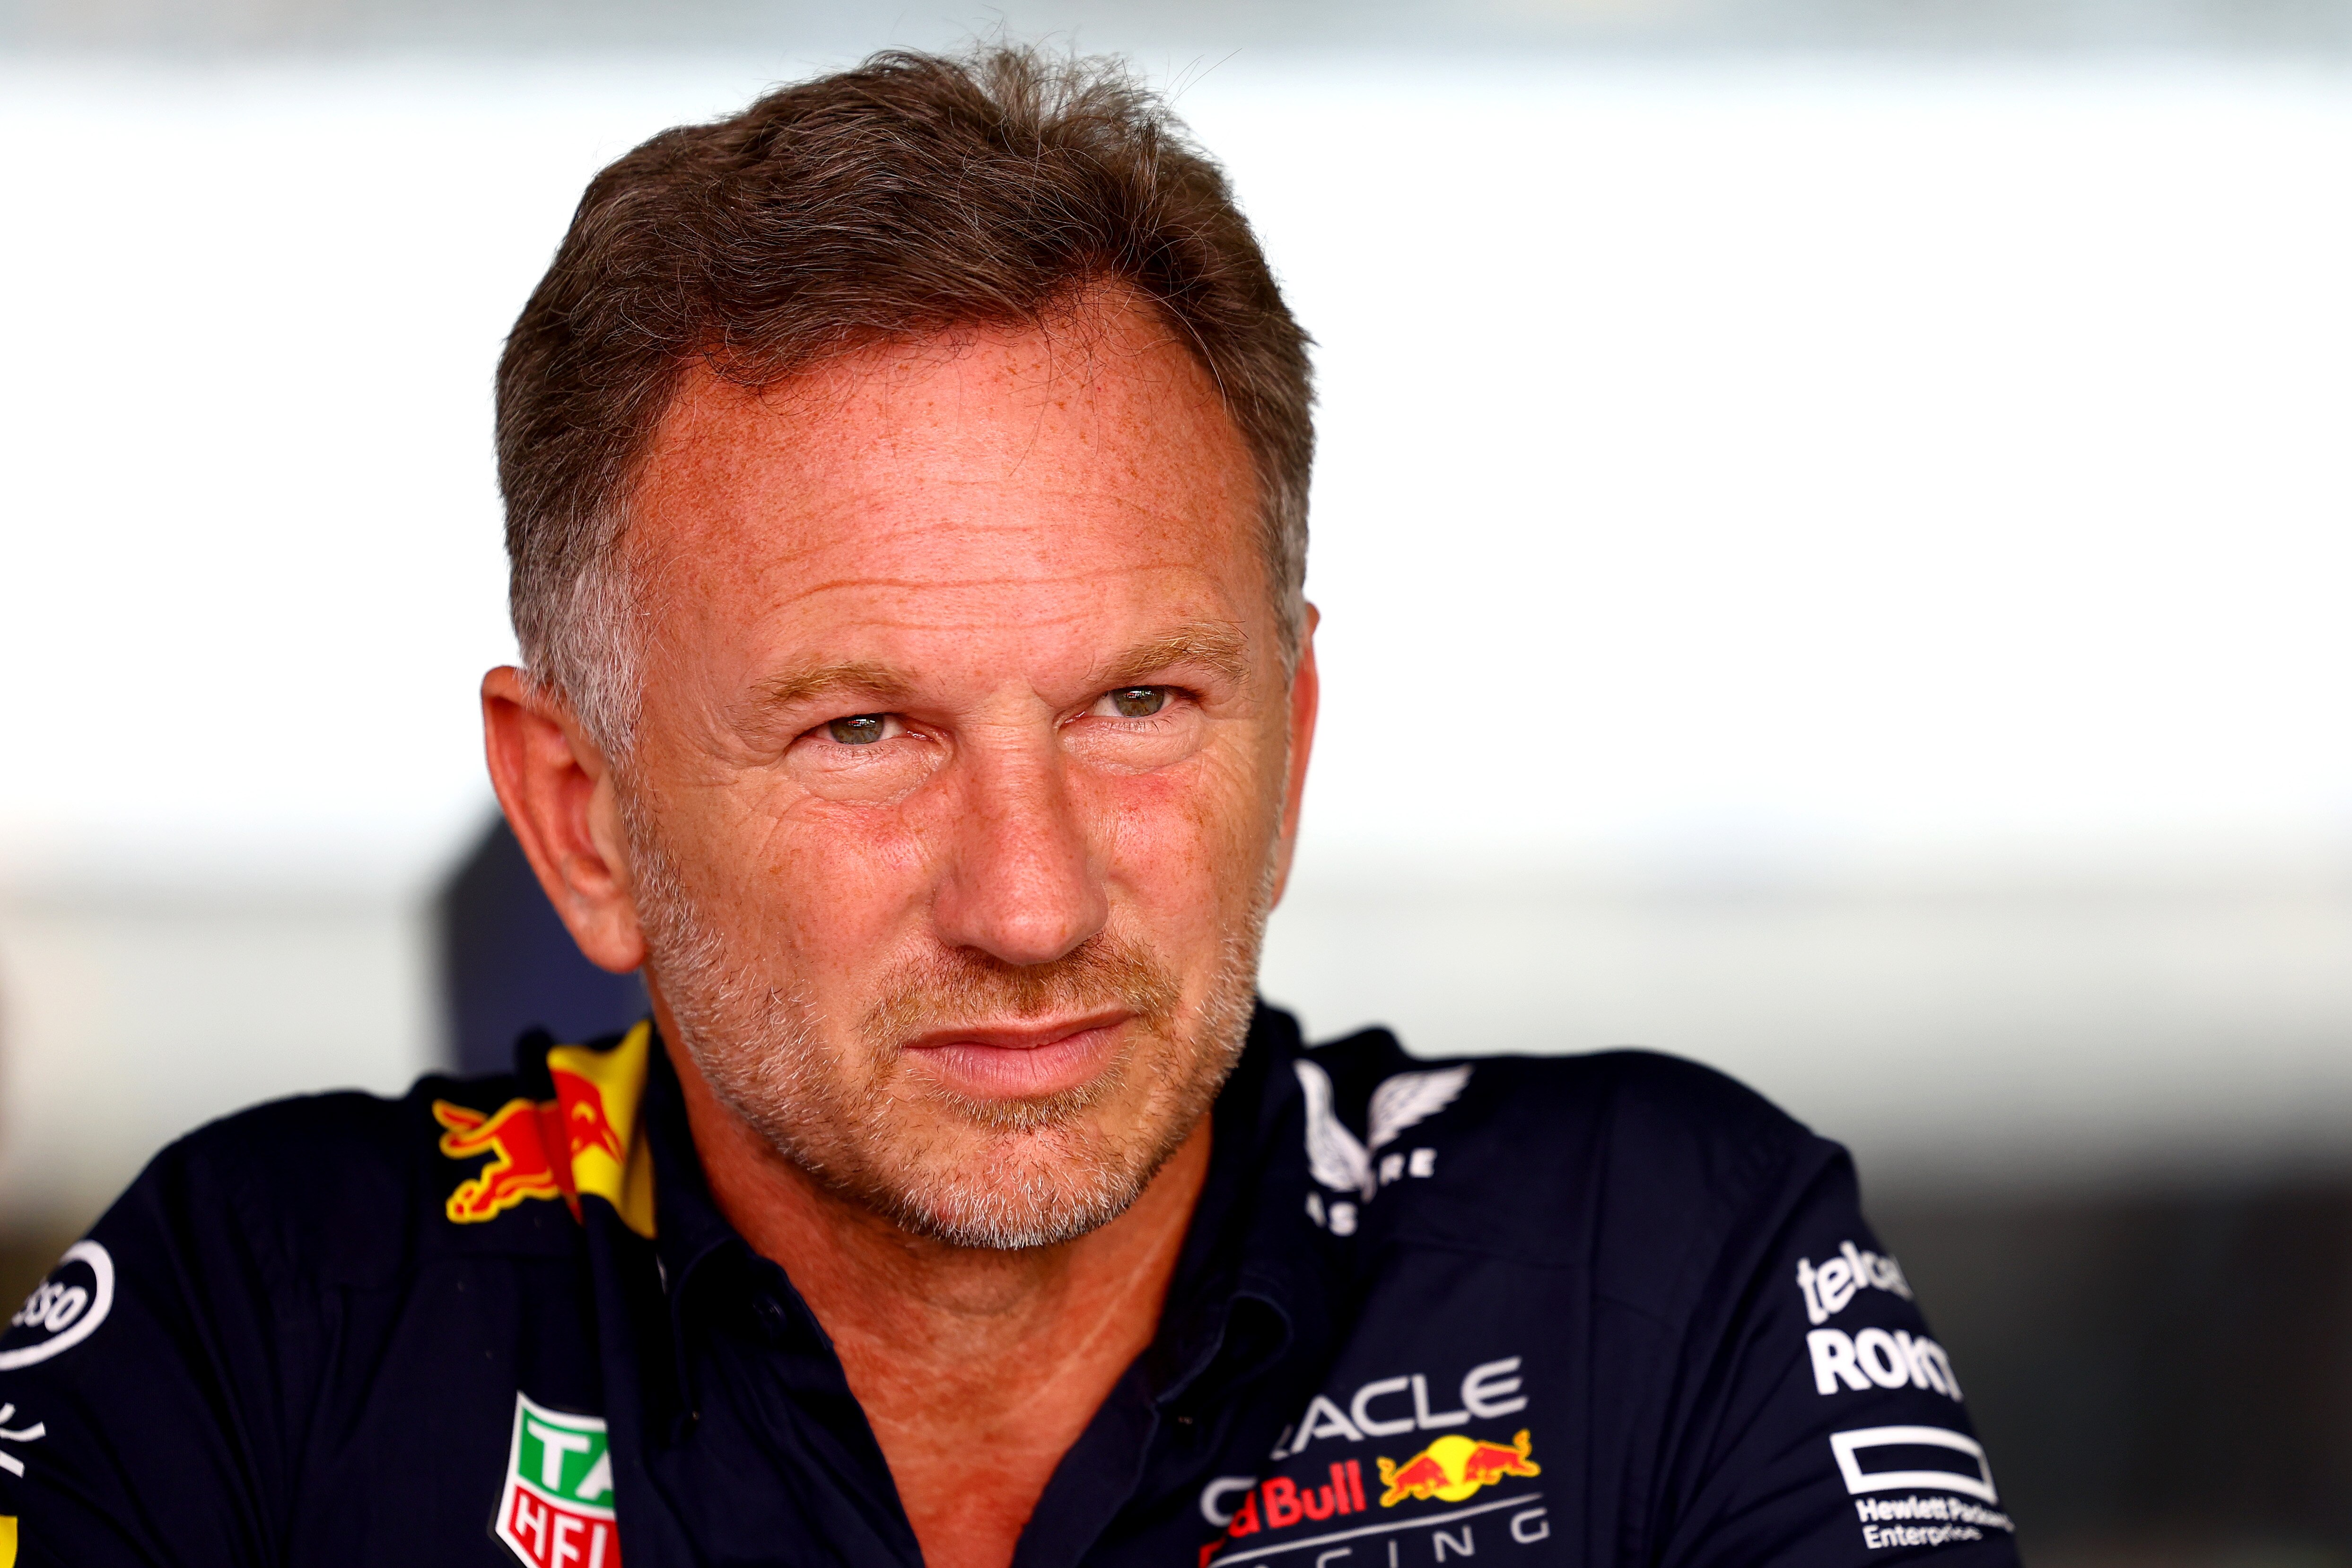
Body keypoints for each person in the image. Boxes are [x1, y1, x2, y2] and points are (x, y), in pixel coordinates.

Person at [0, 45, 2018, 1568]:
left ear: (1290, 739)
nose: (1031, 902)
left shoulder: (1651, 1267)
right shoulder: (262, 1324)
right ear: (582, 817)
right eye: (866, 730)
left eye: (1138, 703)